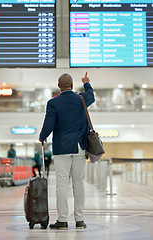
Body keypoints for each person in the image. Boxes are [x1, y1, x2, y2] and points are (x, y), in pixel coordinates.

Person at [39, 72, 95, 230]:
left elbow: (48, 125)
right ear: (71, 85)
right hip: (79, 146)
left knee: (62, 184)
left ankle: (62, 220)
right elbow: (92, 95)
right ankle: (80, 220)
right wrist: (86, 83)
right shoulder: (82, 99)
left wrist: (42, 137)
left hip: (62, 147)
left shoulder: (53, 103)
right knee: (79, 184)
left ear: (59, 86)